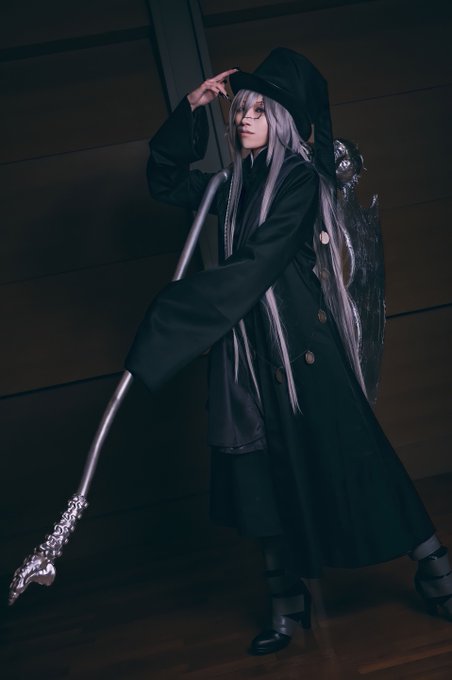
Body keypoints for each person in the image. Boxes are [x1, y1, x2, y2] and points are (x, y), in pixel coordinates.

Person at [126, 48, 452, 655]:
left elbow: (258, 264)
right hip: (247, 352)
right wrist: (190, 110)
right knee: (260, 473)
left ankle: (436, 568)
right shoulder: (230, 184)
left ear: (280, 119)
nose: (243, 119)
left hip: (302, 346)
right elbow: (165, 181)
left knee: (357, 459)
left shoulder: (300, 180)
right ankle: (285, 601)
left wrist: (173, 317)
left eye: (258, 110)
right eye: (239, 110)